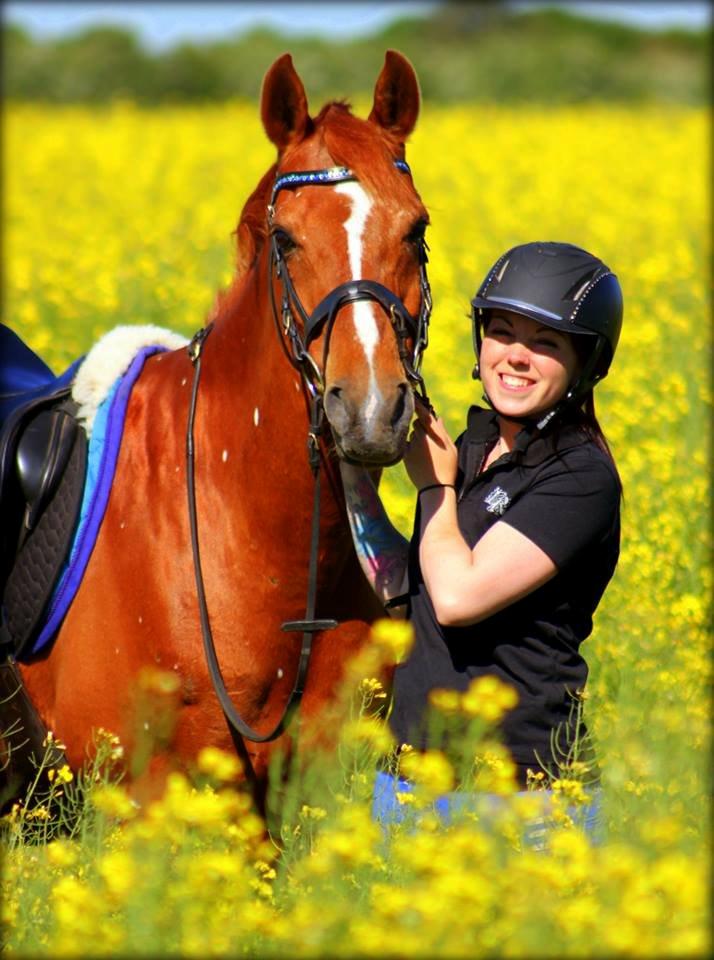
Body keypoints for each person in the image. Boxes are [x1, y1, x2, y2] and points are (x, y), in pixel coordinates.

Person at [339, 241, 623, 837]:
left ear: (585, 362)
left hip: (520, 801)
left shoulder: (579, 477)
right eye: (502, 332)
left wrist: (434, 489)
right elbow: (409, 586)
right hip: (408, 785)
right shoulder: (469, 447)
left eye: (546, 343)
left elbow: (457, 597)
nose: (516, 357)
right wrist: (352, 480)